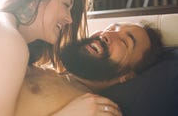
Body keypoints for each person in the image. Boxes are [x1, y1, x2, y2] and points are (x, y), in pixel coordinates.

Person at [14, 22, 163, 116]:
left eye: (124, 42)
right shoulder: (43, 66)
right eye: (111, 28)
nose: (105, 34)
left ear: (128, 76)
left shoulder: (97, 110)